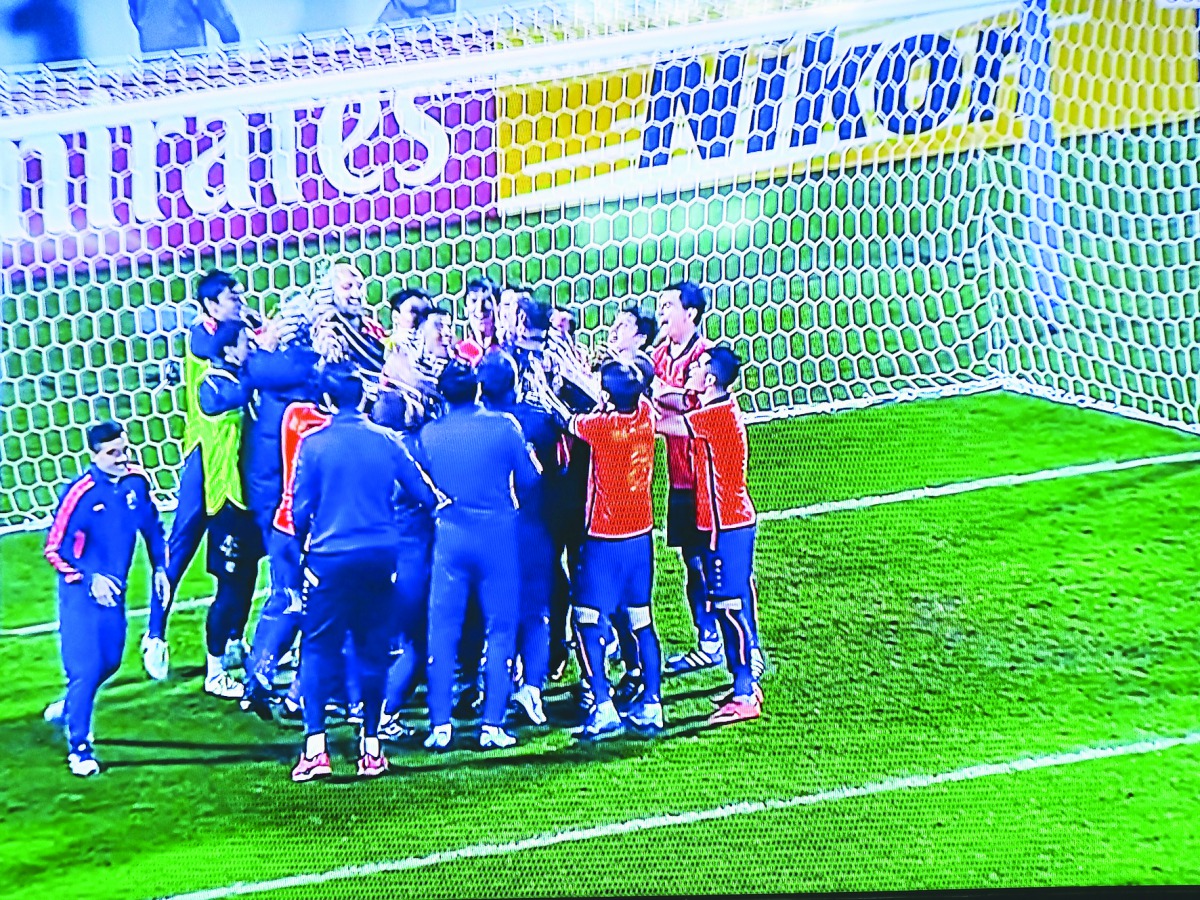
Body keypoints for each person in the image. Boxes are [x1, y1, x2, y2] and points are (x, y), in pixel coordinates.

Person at [289, 362, 438, 782]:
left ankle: (315, 748)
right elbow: (425, 494)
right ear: (364, 399)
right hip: (380, 559)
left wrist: (304, 546)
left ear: (327, 400)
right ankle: (371, 748)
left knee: (318, 649)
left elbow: (299, 510)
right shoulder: (388, 441)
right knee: (372, 652)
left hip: (329, 559)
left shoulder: (314, 445)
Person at [413, 361, 540, 750]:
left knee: (443, 630)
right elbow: (531, 478)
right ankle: (492, 725)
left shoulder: (429, 434)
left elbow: (423, 485)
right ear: (478, 390)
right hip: (498, 537)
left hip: (450, 538)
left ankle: (440, 726)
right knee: (501, 630)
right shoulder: (505, 427)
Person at [544, 361, 664, 737]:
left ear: (608, 397)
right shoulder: (646, 415)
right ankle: (653, 705)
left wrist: (545, 386)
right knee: (642, 619)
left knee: (585, 618)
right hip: (641, 538)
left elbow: (562, 417)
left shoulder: (602, 428)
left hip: (604, 541)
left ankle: (603, 704)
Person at [43, 421, 169, 776]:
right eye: (112, 453)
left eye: (124, 450)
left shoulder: (136, 484)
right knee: (85, 671)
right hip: (80, 597)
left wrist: (161, 567)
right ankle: (79, 748)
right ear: (94, 455)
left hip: (115, 594)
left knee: (110, 662)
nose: (121, 458)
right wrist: (88, 579)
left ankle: (71, 706)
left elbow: (153, 527)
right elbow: (55, 549)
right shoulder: (80, 494)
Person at [662, 346, 764, 725]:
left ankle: (745, 692)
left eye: (700, 365)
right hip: (721, 524)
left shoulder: (716, 416)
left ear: (711, 379)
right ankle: (744, 683)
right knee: (726, 604)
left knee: (729, 608)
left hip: (729, 528)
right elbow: (670, 399)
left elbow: (662, 425)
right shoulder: (712, 405)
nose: (693, 367)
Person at [477, 352, 563, 726]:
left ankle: (493, 688)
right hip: (531, 529)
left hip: (489, 533)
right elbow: (556, 470)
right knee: (537, 614)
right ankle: (532, 688)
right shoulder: (540, 421)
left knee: (497, 616)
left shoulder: (470, 425)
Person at [651, 282, 722, 674]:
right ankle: (706, 639)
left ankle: (737, 643)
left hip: (705, 478)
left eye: (668, 306)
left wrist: (657, 396)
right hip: (679, 477)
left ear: (690, 314)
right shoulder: (660, 354)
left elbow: (689, 410)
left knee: (713, 561)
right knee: (689, 561)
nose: (661, 312)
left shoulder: (704, 357)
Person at [127, 0, 239, 54]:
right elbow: (217, 14)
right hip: (189, 65)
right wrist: (233, 47)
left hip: (153, 69)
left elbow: (135, 16)